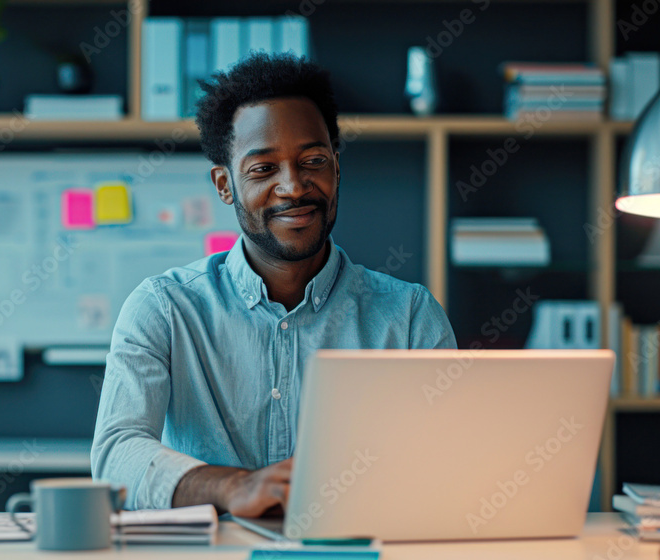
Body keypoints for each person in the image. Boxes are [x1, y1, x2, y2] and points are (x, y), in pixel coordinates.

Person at [91, 53, 457, 517]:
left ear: (337, 167)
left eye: (313, 160)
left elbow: (445, 465)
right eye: (263, 169)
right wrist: (230, 487)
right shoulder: (163, 308)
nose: (294, 186)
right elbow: (115, 456)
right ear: (224, 185)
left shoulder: (408, 316)